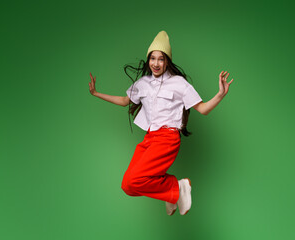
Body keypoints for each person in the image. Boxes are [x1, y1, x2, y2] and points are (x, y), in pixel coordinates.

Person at [88, 31, 233, 216]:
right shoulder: (143, 83)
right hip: (150, 137)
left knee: (136, 179)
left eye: (161, 59)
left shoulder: (179, 83)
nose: (156, 63)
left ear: (167, 62)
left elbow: (203, 109)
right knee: (128, 185)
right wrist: (96, 93)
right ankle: (173, 192)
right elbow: (125, 100)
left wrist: (220, 94)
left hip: (167, 138)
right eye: (152, 58)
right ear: (148, 60)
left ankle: (177, 188)